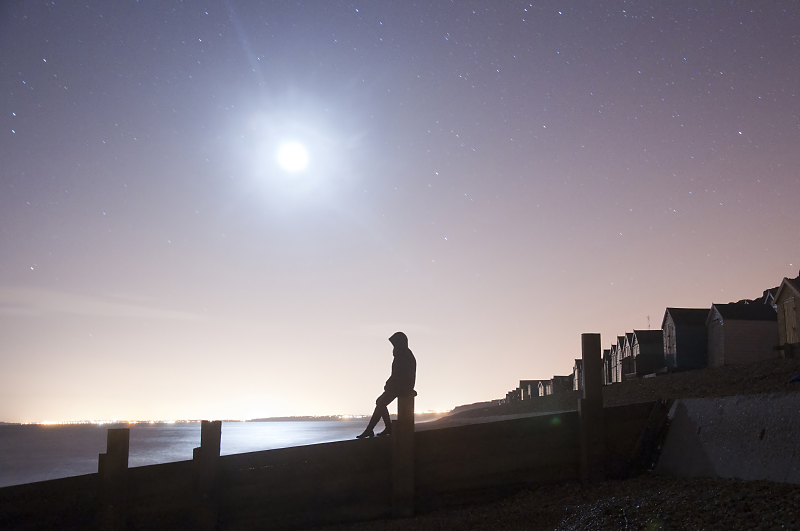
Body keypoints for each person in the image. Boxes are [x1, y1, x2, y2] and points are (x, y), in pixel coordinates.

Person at [356, 332, 416, 438]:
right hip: (401, 386)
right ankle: (382, 428)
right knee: (380, 402)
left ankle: (374, 429)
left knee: (380, 402)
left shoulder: (403, 355)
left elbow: (399, 374)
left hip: (402, 387)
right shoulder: (403, 354)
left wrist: (389, 384)